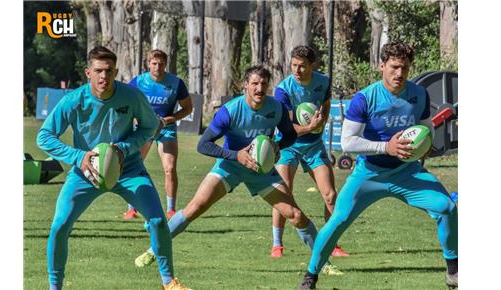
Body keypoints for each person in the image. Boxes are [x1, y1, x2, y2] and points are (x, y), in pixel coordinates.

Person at [297, 41, 458, 289]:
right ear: (381, 66)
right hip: (369, 174)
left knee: (446, 207)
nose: (399, 73)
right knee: (338, 220)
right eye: (394, 67)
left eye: (404, 67)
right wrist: (386, 147)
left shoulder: (419, 94)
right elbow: (347, 142)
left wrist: (422, 148)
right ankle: (311, 275)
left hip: (407, 172)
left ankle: (454, 270)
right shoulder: (365, 98)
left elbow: (426, 128)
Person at [134, 65, 319, 268]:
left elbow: (290, 135)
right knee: (194, 208)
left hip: (261, 171)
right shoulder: (230, 110)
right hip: (229, 166)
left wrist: (276, 146)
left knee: (296, 215)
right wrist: (235, 155)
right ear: (245, 85)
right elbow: (203, 144)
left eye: (264, 84)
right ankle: (153, 250)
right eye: (255, 83)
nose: (259, 88)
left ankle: (322, 261)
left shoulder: (276, 108)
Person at [36, 46, 190, 290]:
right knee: (60, 225)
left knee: (159, 221)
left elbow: (150, 127)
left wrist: (123, 148)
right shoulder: (73, 100)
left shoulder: (131, 96)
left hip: (128, 169)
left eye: (109, 71)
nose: (103, 77)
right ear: (88, 72)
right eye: (98, 70)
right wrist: (78, 156)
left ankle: (169, 283)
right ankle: (55, 286)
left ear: (116, 71)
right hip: (85, 173)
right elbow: (44, 137)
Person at [272, 45, 349, 263]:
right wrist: (310, 127)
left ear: (312, 66)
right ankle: (277, 243)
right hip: (288, 144)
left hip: (314, 145)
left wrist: (321, 122)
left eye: (302, 66)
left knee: (331, 195)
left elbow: (324, 106)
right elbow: (287, 126)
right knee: (282, 192)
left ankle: (332, 244)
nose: (296, 70)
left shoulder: (323, 82)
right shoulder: (283, 90)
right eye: (294, 65)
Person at [123, 49, 193, 220]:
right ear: (148, 64)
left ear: (165, 64)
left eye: (161, 64)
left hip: (166, 128)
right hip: (143, 130)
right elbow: (125, 104)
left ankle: (171, 210)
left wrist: (169, 119)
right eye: (154, 63)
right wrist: (135, 119)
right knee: (134, 167)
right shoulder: (138, 82)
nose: (157, 67)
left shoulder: (176, 83)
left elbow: (188, 108)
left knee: (169, 169)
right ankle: (131, 209)